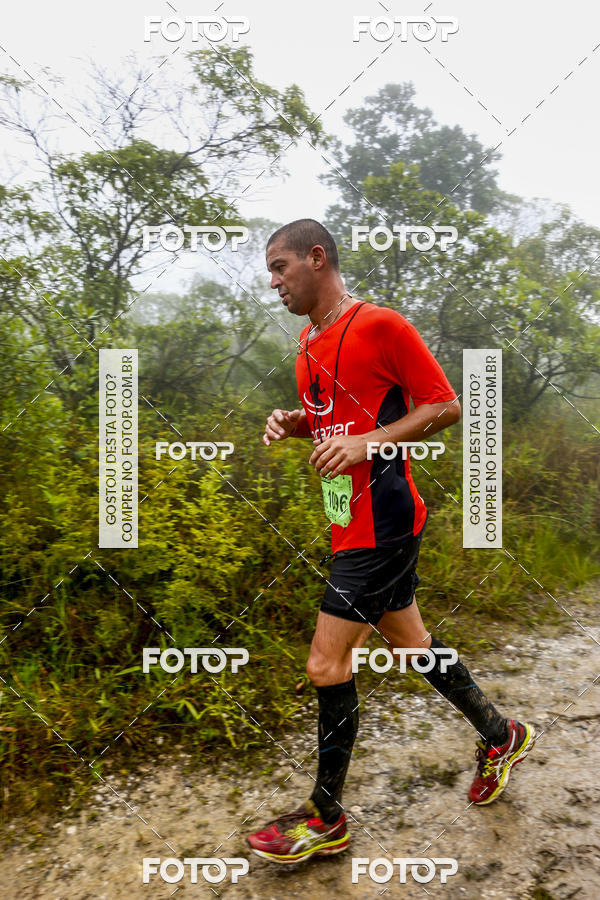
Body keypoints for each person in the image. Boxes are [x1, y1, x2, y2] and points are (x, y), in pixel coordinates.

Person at [247, 219, 535, 865]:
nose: (274, 283)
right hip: (351, 521)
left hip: (382, 525)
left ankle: (326, 817)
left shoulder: (380, 325)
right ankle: (501, 735)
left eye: (280, 267)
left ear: (316, 258)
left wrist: (367, 444)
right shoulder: (307, 343)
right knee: (411, 644)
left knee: (326, 665)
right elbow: (338, 421)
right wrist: (297, 424)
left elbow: (444, 405)